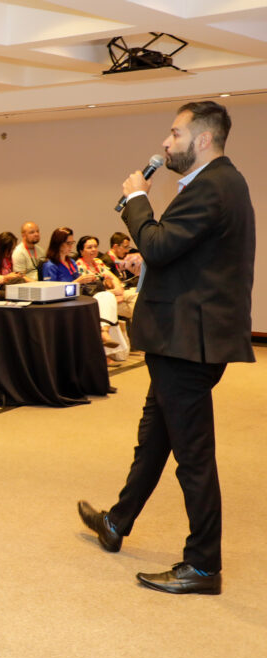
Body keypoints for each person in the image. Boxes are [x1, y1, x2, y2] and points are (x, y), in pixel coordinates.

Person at [78, 101, 254, 595]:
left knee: (193, 456)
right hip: (187, 337)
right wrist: (150, 264)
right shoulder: (223, 183)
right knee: (155, 438)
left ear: (201, 140)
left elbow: (156, 244)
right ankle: (117, 522)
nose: (165, 142)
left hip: (187, 344)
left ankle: (202, 566)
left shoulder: (211, 186)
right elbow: (186, 257)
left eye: (174, 134)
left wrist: (137, 200)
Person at [40, 228, 121, 355]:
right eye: (68, 243)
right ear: (58, 243)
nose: (71, 246)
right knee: (103, 300)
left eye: (72, 243)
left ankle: (104, 331)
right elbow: (50, 292)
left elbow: (78, 285)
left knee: (107, 295)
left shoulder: (71, 262)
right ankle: (103, 336)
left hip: (78, 297)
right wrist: (77, 281)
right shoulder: (50, 265)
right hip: (61, 302)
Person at [75, 235, 137, 320]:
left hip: (110, 294)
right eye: (89, 247)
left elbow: (113, 277)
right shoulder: (79, 266)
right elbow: (92, 291)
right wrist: (113, 293)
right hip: (98, 299)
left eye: (95, 246)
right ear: (81, 251)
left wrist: (118, 290)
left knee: (135, 297)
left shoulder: (98, 261)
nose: (94, 249)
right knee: (135, 307)